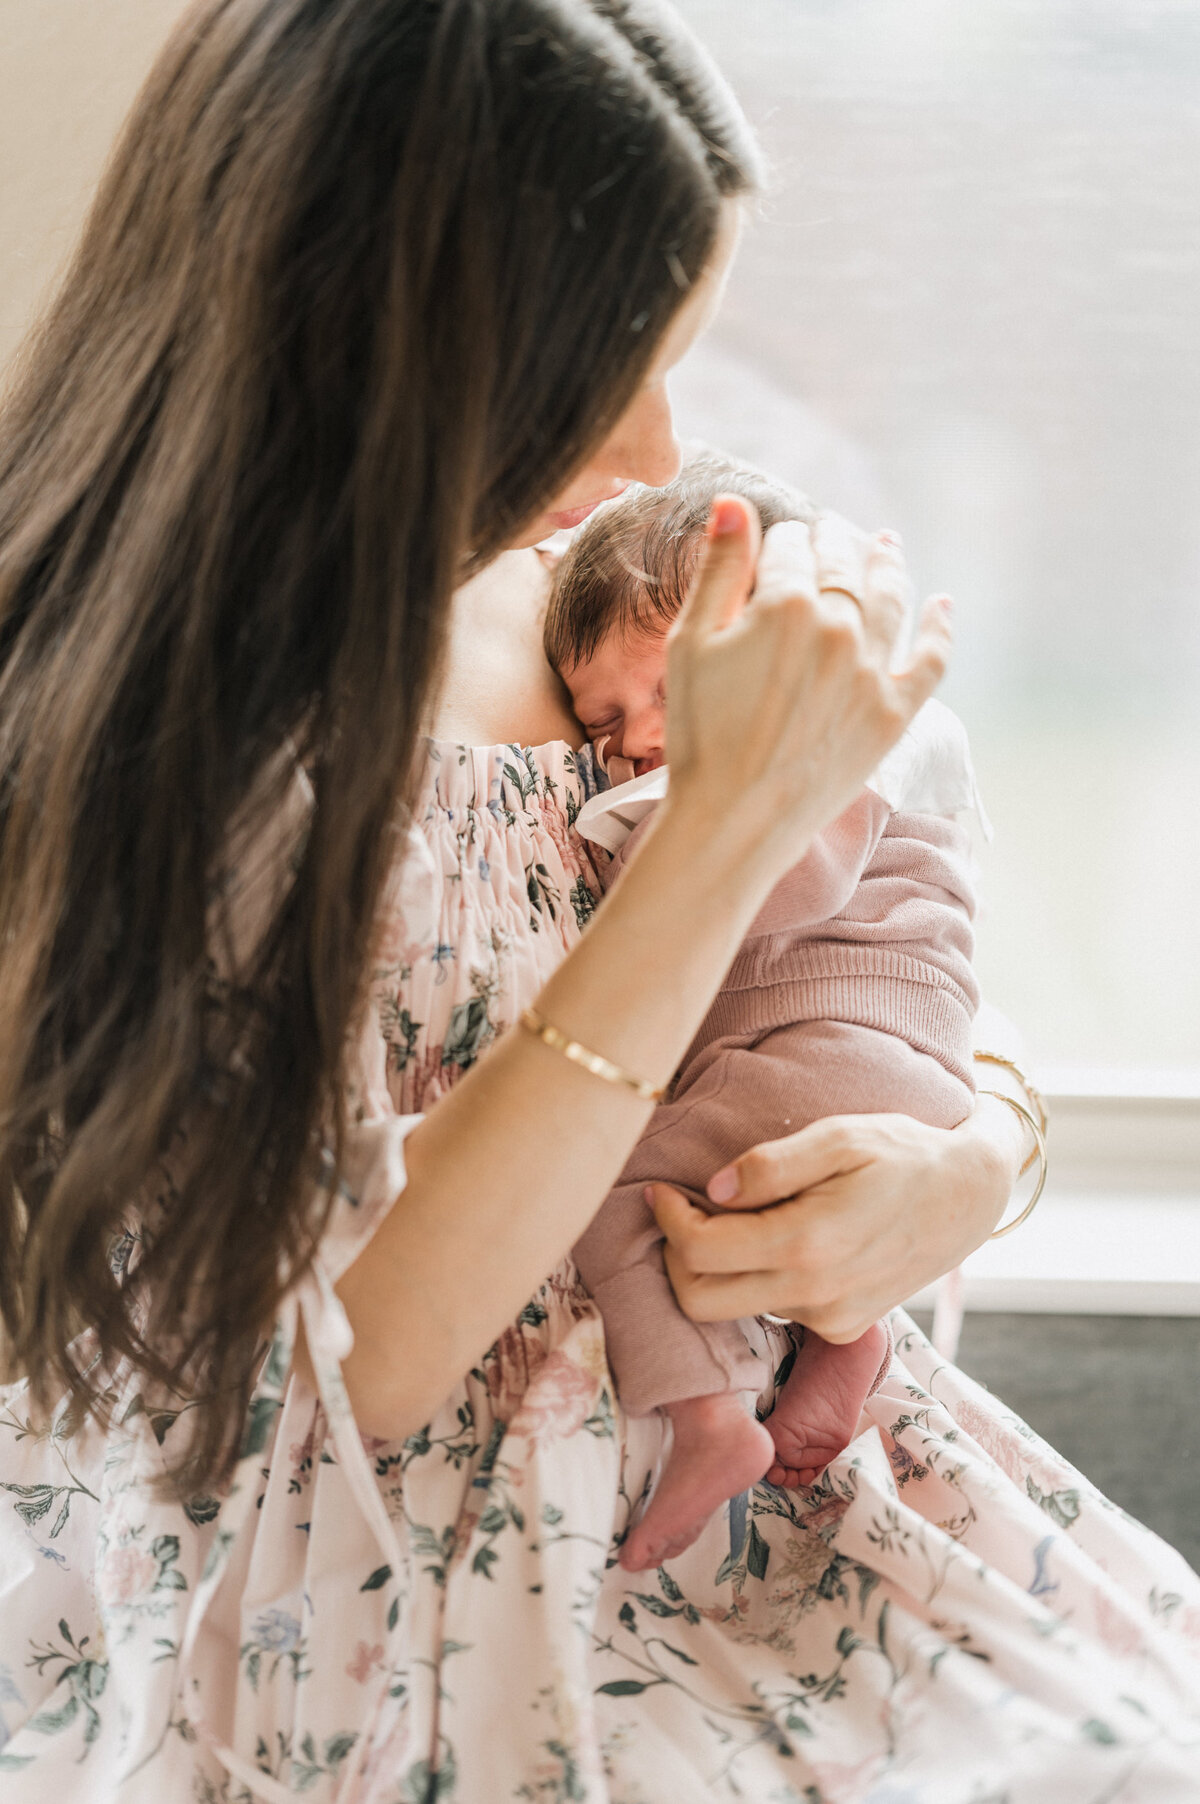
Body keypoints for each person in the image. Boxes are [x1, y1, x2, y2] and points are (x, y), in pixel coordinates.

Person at [0, 2, 1197, 1799]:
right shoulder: (134, 733)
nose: (655, 449)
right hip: (338, 1569)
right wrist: (719, 825)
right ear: (397, 358)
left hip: (768, 1492)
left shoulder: (587, 604)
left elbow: (865, 931)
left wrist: (978, 1157)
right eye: (607, 369)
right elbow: (359, 1365)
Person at [546, 452, 986, 1572]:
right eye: (602, 722)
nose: (636, 740)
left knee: (611, 1193)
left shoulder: (826, 741)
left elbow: (788, 887)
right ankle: (848, 1341)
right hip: (893, 1074)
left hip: (833, 1053)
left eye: (665, 688)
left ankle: (707, 1421)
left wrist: (652, 858)